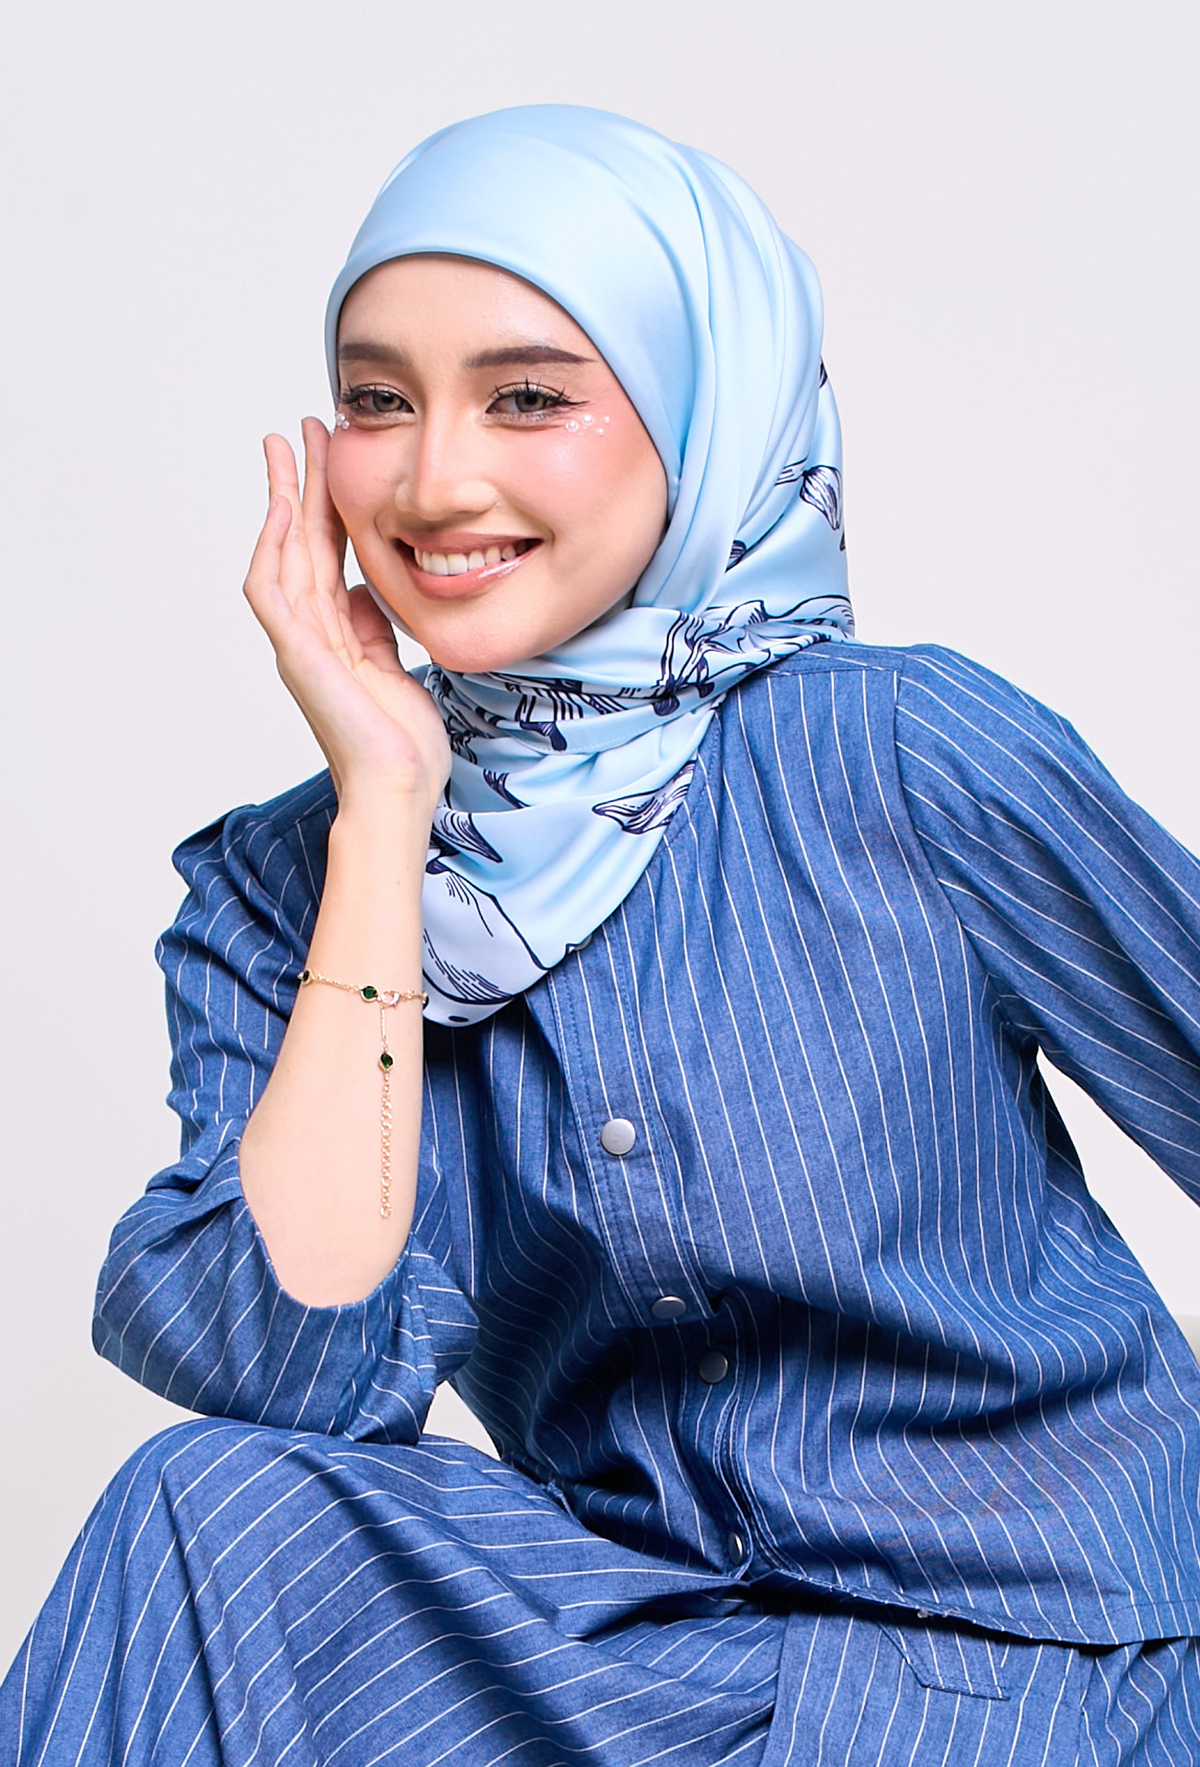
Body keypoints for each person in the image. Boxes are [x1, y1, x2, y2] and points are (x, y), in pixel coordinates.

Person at [3, 104, 1200, 1767]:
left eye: (528, 397)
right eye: (376, 401)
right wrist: (384, 813)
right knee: (203, 1516)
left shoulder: (898, 756)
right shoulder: (288, 885)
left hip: (1042, 1656)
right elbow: (284, 1366)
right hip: (642, 1656)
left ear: (699, 414)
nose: (436, 477)